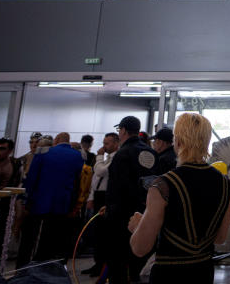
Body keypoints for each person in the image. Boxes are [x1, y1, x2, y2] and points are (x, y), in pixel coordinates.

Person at [128, 113, 230, 284]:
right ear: (206, 142)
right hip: (203, 272)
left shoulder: (163, 185)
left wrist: (137, 226)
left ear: (177, 142)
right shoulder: (225, 184)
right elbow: (220, 238)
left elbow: (140, 248)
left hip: (169, 273)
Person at [16, 131, 84, 267]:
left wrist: (26, 200)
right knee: (53, 239)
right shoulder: (78, 156)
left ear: (57, 140)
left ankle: (24, 269)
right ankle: (45, 269)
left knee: (32, 240)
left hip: (40, 203)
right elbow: (77, 182)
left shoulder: (43, 152)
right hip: (63, 205)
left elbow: (32, 179)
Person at [105, 116, 156, 284]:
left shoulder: (122, 154)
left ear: (124, 130)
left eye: (120, 130)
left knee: (118, 262)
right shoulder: (151, 153)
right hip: (146, 214)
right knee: (138, 260)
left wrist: (110, 209)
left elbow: (116, 187)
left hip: (121, 217)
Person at [82, 132, 119, 277]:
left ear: (116, 143)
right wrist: (91, 196)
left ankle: (103, 266)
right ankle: (97, 263)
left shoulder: (116, 158)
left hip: (106, 197)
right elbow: (95, 179)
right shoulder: (106, 158)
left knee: (103, 233)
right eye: (104, 143)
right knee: (96, 233)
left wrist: (98, 157)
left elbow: (101, 171)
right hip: (97, 195)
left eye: (107, 143)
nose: (104, 146)